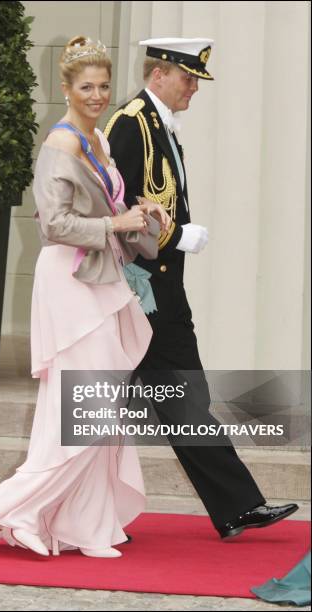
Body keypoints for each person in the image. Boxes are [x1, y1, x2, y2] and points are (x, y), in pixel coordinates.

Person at [0, 36, 170, 559]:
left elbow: (105, 211)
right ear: (66, 88)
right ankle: (20, 512)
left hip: (99, 278)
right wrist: (113, 221)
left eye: (103, 85)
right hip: (70, 281)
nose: (97, 95)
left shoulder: (98, 141)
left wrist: (142, 217)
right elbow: (54, 224)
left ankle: (86, 525)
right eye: (86, 87)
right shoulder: (62, 144)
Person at [105, 37, 298, 539]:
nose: (194, 88)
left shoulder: (159, 126)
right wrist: (175, 237)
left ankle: (235, 505)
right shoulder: (130, 125)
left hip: (162, 291)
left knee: (181, 399)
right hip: (137, 291)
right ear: (160, 74)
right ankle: (83, 511)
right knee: (150, 401)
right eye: (188, 77)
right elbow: (115, 207)